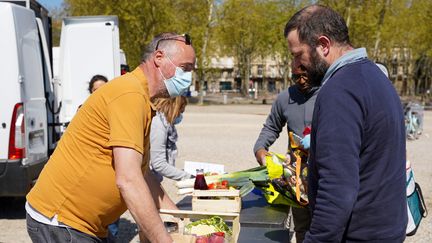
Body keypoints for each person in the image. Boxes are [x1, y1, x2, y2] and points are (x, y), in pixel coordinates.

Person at [25, 32, 196, 243]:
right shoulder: (129, 95)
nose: (188, 77)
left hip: (86, 225)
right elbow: (129, 180)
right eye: (185, 68)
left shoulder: (141, 98)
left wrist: (178, 220)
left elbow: (142, 174)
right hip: (63, 222)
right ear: (159, 58)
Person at [284, 5, 407, 242]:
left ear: (323, 45)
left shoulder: (340, 91)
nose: (295, 66)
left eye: (298, 55)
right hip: (387, 230)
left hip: (359, 234)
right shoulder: (375, 77)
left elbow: (337, 188)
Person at [253, 66, 318, 242]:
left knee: (325, 227)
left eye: (305, 75)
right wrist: (260, 149)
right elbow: (271, 127)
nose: (302, 81)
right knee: (302, 228)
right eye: (296, 77)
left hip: (324, 176)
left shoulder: (329, 94)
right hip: (296, 178)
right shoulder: (285, 98)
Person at [150, 96, 193, 182]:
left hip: (152, 179)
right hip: (148, 179)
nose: (180, 116)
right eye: (180, 112)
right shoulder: (158, 125)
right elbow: (159, 164)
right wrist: (189, 177)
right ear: (174, 109)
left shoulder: (162, 123)